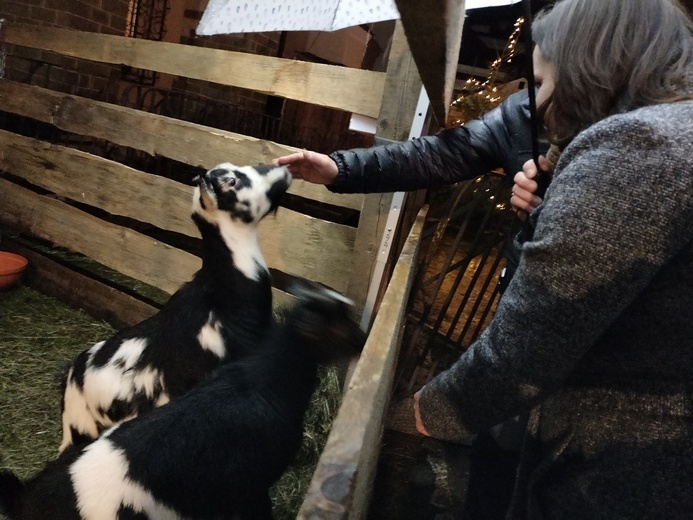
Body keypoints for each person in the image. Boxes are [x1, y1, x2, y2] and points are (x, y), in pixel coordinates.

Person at [411, 0, 693, 518]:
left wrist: (428, 412)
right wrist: (553, 209)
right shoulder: (676, 135)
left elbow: (531, 342)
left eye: (541, 82)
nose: (536, 104)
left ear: (592, 65)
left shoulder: (639, 146)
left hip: (618, 467)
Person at [275, 88, 548, 519]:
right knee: (499, 455)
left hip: (571, 353)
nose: (542, 91)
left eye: (550, 70)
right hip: (522, 306)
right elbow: (440, 154)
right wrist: (339, 168)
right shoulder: (525, 109)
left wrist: (554, 211)